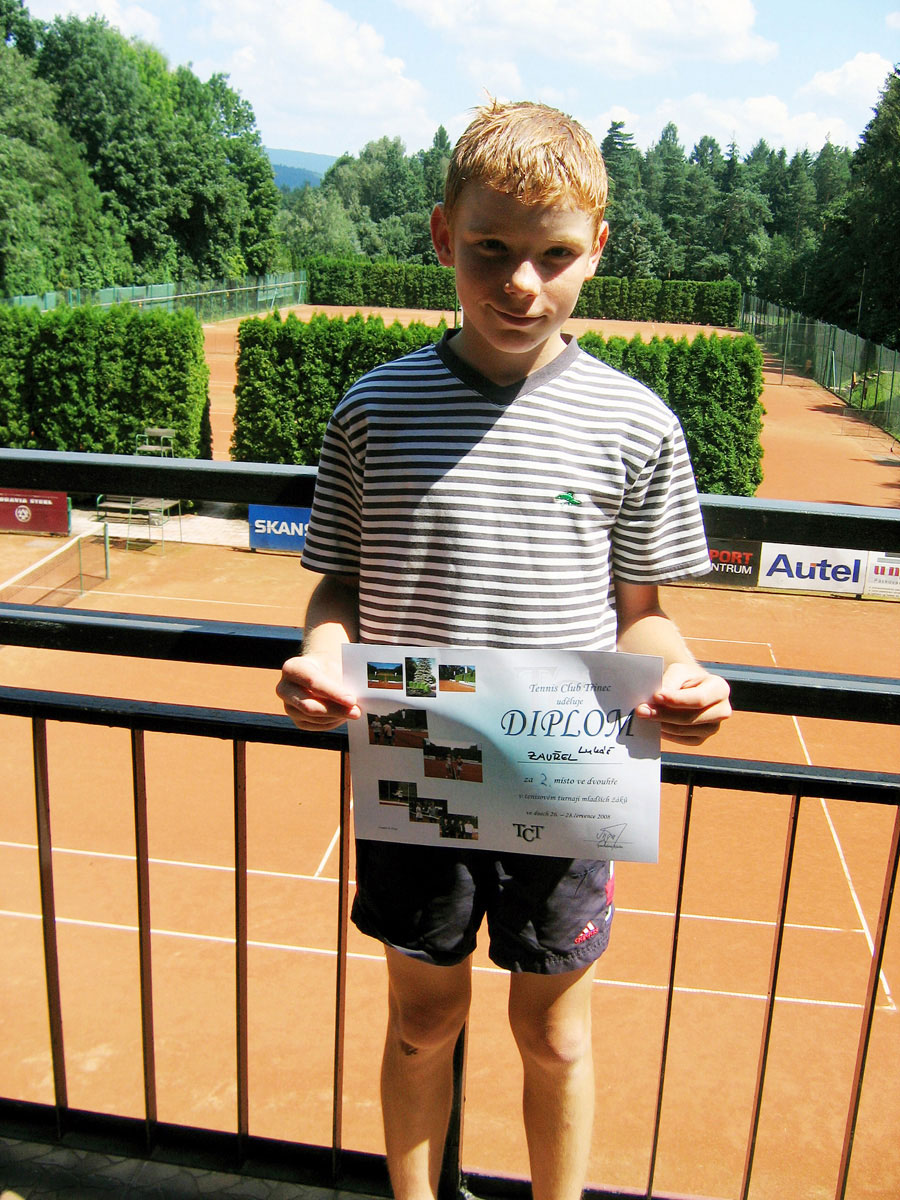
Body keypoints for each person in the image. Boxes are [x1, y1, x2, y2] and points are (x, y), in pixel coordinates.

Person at [277, 99, 732, 1200]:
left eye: (554, 255)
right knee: (421, 1024)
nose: (522, 283)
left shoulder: (637, 422)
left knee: (556, 1038)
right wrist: (324, 654)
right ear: (444, 236)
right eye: (491, 249)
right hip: (417, 765)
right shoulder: (371, 411)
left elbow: (643, 612)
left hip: (566, 775)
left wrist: (679, 676)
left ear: (598, 250)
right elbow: (337, 583)